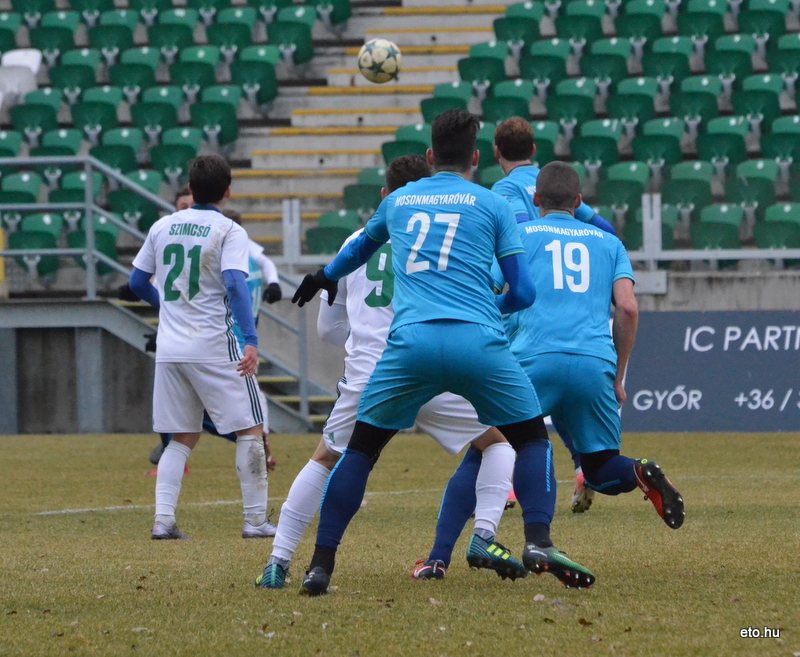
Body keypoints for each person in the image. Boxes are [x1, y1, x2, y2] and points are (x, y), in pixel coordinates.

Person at [290, 110, 594, 595]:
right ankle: (537, 539)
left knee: (361, 451)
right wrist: (492, 307)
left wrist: (324, 275)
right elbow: (524, 293)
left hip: (410, 346)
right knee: (531, 438)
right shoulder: (492, 204)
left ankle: (320, 565)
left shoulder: (401, 200)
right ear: (476, 158)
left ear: (431, 156)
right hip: (478, 342)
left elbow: (358, 253)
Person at [255, 155, 525, 589]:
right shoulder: (445, 237)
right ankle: (484, 535)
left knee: (327, 458)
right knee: (499, 444)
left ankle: (279, 562)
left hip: (370, 374)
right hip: (432, 366)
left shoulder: (357, 240)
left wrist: (363, 340)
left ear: (386, 196)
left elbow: (328, 328)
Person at [129, 155, 273, 540]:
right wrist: (251, 340)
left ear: (190, 190)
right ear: (228, 191)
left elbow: (137, 281)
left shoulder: (163, 226)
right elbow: (235, 284)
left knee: (182, 436)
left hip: (171, 348)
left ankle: (163, 521)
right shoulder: (229, 230)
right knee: (251, 430)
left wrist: (169, 307)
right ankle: (256, 521)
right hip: (214, 345)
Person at [492, 117, 618, 513]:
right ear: (533, 150)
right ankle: (583, 464)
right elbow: (607, 229)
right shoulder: (555, 184)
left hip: (523, 301)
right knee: (561, 395)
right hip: (569, 304)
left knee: (505, 401)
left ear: (496, 154)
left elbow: (506, 237)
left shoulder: (504, 189)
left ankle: (509, 483)